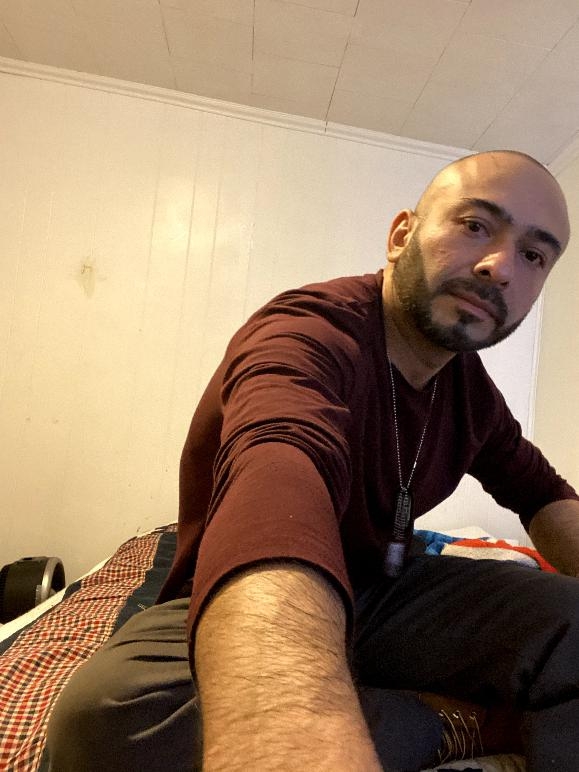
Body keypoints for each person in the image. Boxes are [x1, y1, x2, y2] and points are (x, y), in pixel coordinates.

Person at [47, 150, 579, 772]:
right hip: (240, 593)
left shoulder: (469, 390)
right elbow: (278, 472)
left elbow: (542, 494)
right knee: (113, 717)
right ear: (401, 236)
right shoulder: (307, 333)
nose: (500, 267)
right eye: (475, 225)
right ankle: (461, 723)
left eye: (533, 255)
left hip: (383, 593)